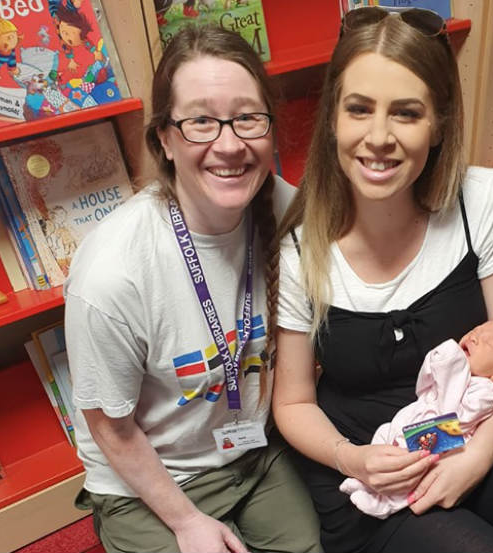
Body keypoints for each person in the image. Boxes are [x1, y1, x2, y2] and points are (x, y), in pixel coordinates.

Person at [272, 6, 493, 553]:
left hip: (473, 426)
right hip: (372, 458)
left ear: (438, 122)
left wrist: (480, 454)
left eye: (407, 113)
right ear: (333, 120)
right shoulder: (299, 247)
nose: (379, 137)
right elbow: (292, 403)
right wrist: (354, 459)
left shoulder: (485, 200)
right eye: (359, 109)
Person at [64, 24, 321, 553]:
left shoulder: (291, 211)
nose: (229, 145)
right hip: (149, 481)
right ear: (164, 137)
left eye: (248, 117)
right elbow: (108, 428)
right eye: (200, 121)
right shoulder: (112, 272)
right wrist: (185, 522)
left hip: (251, 453)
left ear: (271, 127)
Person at [340, 319, 493, 519]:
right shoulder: (458, 370)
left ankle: (385, 504)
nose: (475, 337)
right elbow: (423, 386)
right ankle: (366, 484)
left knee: (413, 467)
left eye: (488, 342)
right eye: (476, 330)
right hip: (414, 418)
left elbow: (456, 418)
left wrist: (454, 366)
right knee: (384, 436)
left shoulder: (487, 392)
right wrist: (437, 360)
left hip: (445, 434)